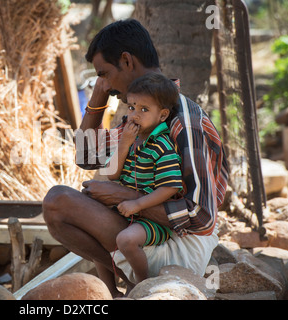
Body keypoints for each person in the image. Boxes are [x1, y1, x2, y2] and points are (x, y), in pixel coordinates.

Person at [43, 19, 229, 297]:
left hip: (181, 245)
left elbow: (201, 216)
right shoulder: (140, 118)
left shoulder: (183, 120)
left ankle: (141, 287)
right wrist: (98, 97)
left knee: (59, 200)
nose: (104, 83)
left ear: (127, 61)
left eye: (104, 74)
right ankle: (125, 290)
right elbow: (86, 155)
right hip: (146, 229)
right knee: (61, 206)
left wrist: (122, 196)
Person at [107, 73, 183, 283]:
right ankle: (108, 289)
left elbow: (170, 187)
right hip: (127, 211)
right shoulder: (132, 140)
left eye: (144, 109)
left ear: (162, 115)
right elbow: (112, 174)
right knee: (97, 236)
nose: (134, 115)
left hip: (153, 220)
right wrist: (124, 143)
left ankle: (141, 283)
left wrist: (139, 204)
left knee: (126, 239)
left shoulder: (162, 146)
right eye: (132, 107)